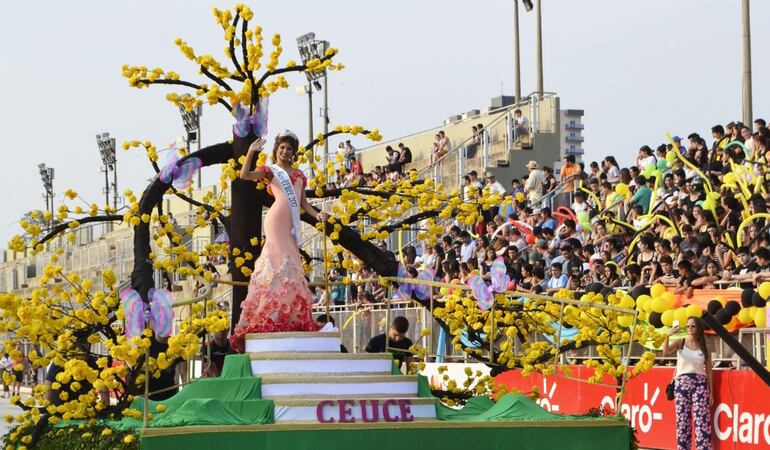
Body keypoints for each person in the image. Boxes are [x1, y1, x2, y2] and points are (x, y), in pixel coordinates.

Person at [231, 132, 329, 352]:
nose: (285, 152)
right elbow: (245, 174)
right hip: (275, 221)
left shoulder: (299, 175)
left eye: (289, 149)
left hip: (289, 224)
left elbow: (304, 204)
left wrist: (318, 215)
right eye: (282, 148)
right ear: (277, 150)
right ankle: (269, 315)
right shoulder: (269, 171)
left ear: (293, 153)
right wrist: (251, 151)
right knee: (276, 264)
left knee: (291, 264)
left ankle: (287, 315)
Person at [662, 317, 713, 450]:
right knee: (682, 420)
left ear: (698, 328)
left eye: (693, 326)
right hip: (682, 383)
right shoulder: (681, 342)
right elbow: (665, 352)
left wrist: (711, 392)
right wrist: (668, 335)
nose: (690, 328)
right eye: (688, 326)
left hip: (700, 383)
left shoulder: (704, 347)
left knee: (702, 420)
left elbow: (709, 371)